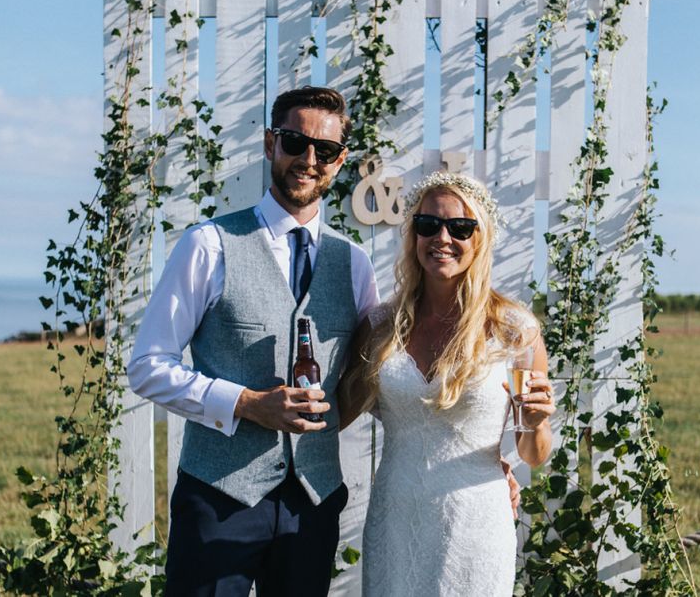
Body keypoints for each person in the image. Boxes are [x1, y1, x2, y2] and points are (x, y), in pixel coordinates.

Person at [128, 87, 379, 596]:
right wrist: (245, 404)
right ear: (270, 144)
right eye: (294, 142)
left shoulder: (353, 262)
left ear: (340, 161)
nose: (308, 160)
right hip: (218, 499)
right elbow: (148, 365)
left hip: (312, 502)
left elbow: (371, 375)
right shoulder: (209, 244)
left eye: (325, 150)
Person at [339, 171, 555, 597]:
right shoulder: (380, 327)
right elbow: (336, 413)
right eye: (428, 224)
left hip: (475, 520)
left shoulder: (515, 330)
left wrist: (535, 420)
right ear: (413, 234)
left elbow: (533, 452)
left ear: (480, 238)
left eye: (460, 227)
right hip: (395, 519)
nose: (442, 237)